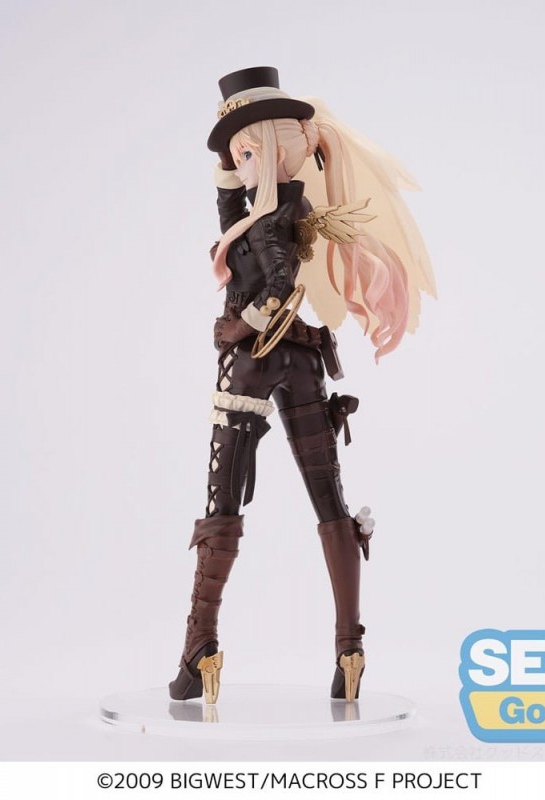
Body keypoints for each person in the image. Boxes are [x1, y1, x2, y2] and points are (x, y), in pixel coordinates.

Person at [168, 66, 435, 705]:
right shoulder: (274, 207)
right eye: (236, 154)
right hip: (304, 359)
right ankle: (350, 649)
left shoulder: (268, 220)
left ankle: (200, 648)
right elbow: (230, 207)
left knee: (223, 502)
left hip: (254, 360)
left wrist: (239, 327)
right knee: (329, 500)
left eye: (247, 151)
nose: (238, 163)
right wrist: (237, 150)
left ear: (271, 150)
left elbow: (281, 285)